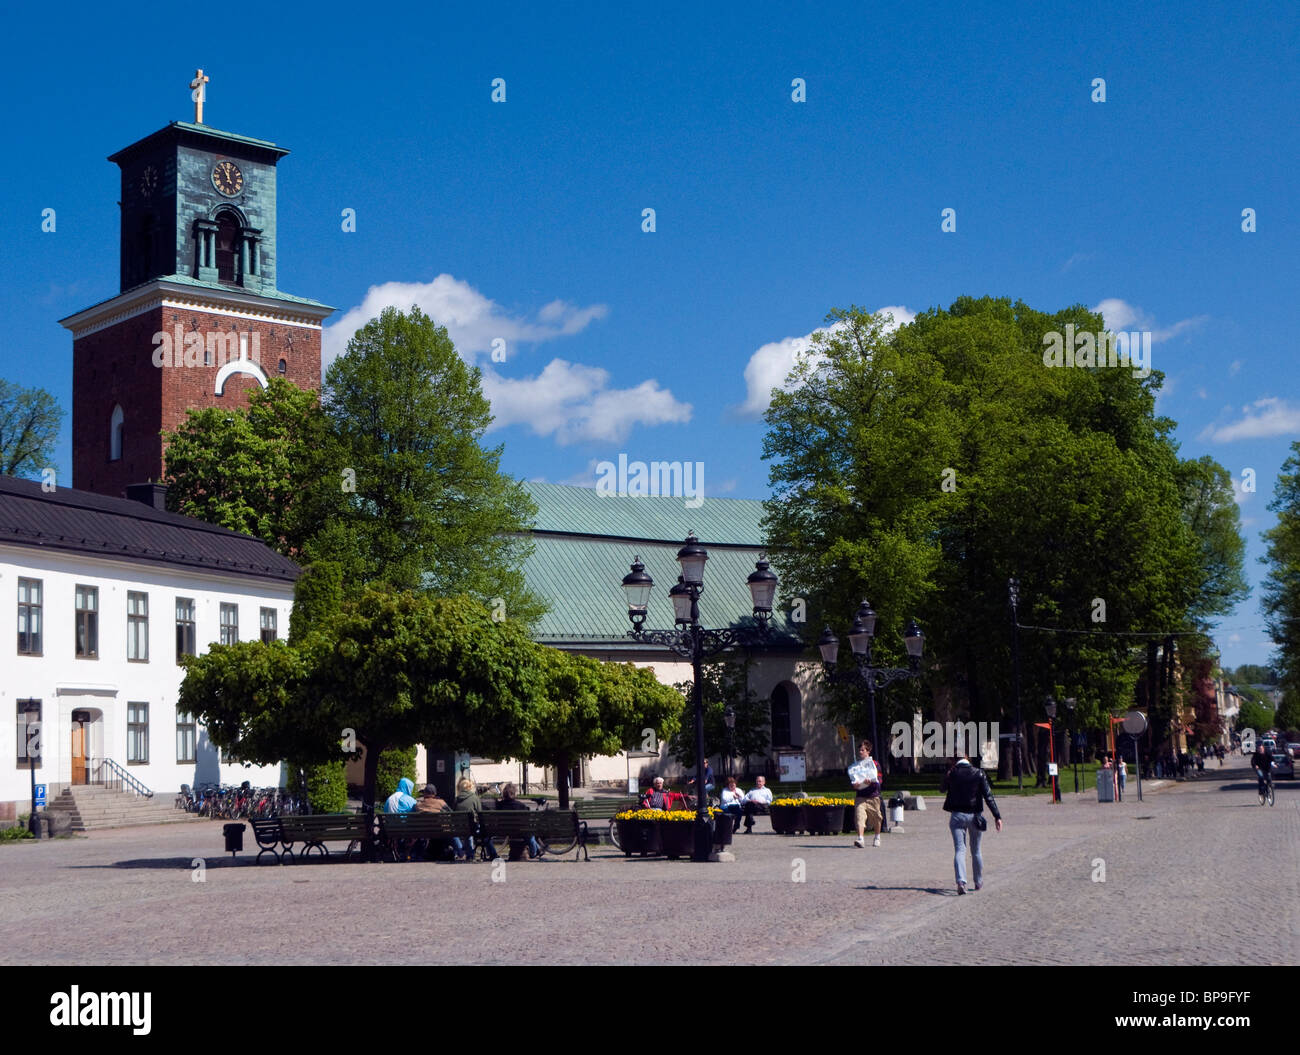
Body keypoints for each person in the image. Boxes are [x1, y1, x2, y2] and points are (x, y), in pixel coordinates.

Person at [940, 753, 1003, 895]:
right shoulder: (979, 773)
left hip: (957, 816)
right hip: (975, 816)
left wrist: (948, 773)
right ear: (967, 759)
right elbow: (988, 796)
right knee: (976, 850)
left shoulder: (952, 773)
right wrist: (997, 816)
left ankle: (961, 881)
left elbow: (942, 789)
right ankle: (978, 881)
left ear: (954, 761)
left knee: (959, 850)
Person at [848, 740, 884, 848]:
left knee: (877, 818)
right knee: (860, 817)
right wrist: (855, 786)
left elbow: (880, 780)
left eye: (863, 750)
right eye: (859, 750)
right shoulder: (855, 767)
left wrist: (871, 782)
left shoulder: (875, 764)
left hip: (873, 796)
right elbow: (853, 782)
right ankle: (860, 839)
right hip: (861, 797)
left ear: (868, 751)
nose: (860, 752)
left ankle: (877, 837)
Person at [453, 777, 496, 862]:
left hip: (458, 828)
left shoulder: (457, 799)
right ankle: (493, 854)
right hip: (472, 828)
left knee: (467, 831)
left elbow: (454, 813)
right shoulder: (474, 798)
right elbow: (480, 814)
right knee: (483, 832)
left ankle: (466, 854)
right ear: (470, 787)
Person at [496, 782, 541, 860]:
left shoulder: (500, 805)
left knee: (528, 834)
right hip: (520, 830)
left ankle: (536, 851)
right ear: (514, 793)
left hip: (504, 830)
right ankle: (534, 853)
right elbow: (527, 819)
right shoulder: (520, 805)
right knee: (530, 835)